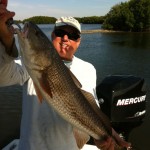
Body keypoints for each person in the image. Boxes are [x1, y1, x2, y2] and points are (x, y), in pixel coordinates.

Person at [0, 2, 131, 150]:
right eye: (61, 33)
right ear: (52, 36)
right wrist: (6, 44)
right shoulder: (28, 65)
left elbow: (91, 107)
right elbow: (2, 76)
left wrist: (104, 135)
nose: (65, 38)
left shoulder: (88, 69)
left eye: (73, 35)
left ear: (79, 42)